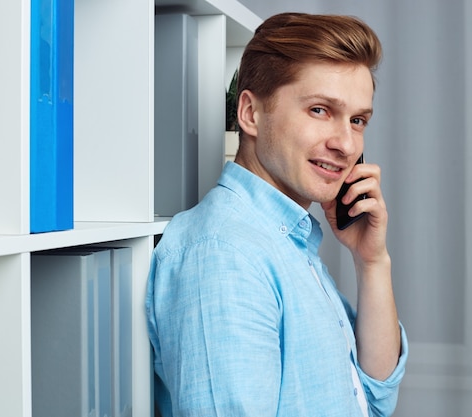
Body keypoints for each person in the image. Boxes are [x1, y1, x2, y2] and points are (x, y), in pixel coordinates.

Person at [146, 12, 408, 417]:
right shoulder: (224, 255)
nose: (345, 143)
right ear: (250, 114)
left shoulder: (285, 240)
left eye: (357, 120)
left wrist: (371, 262)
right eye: (320, 110)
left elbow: (374, 398)